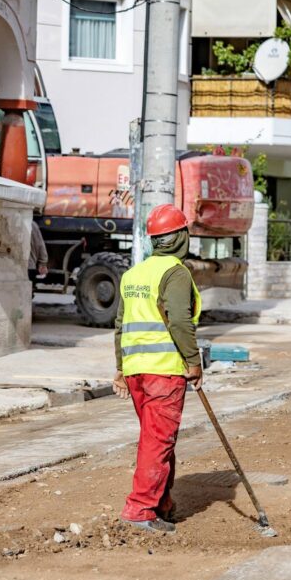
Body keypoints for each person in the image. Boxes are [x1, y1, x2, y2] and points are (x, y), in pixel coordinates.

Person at [113, 203, 203, 534]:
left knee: (158, 438)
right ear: (180, 237)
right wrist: (193, 362)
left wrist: (121, 369)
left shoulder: (133, 274)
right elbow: (179, 321)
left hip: (137, 370)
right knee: (157, 441)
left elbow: (120, 325)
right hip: (164, 371)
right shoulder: (176, 273)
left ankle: (161, 503)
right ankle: (139, 509)